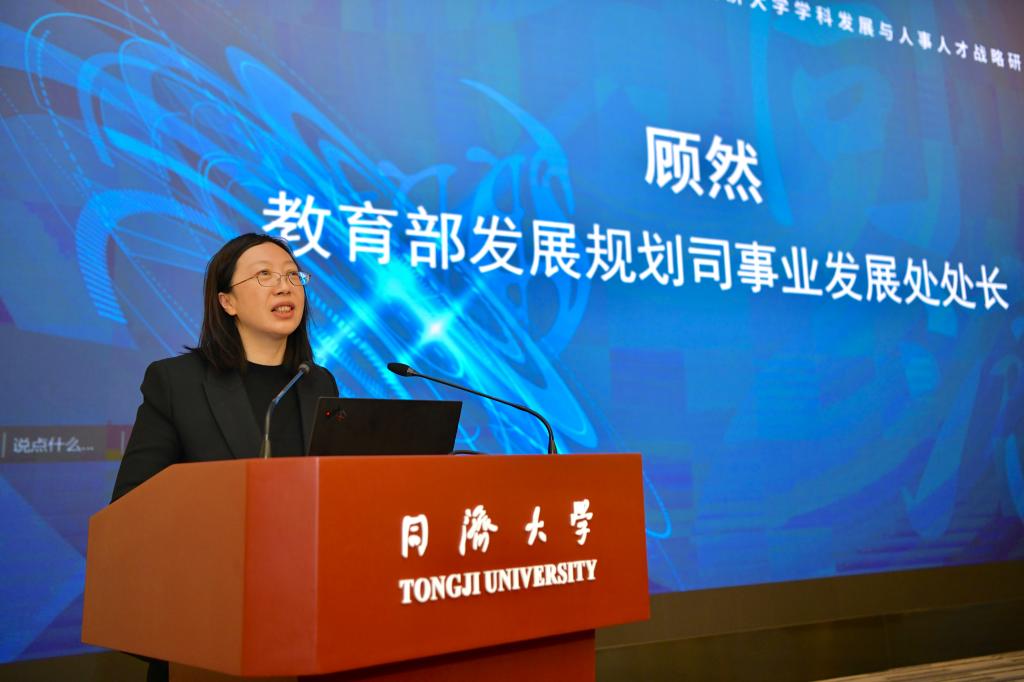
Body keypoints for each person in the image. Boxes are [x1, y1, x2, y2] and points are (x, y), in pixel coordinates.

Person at [110, 233, 339, 682]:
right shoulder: (176, 383)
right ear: (226, 302)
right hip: (207, 620)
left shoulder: (317, 382)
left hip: (304, 620)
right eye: (264, 275)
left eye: (293, 276)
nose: (285, 285)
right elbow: (132, 505)